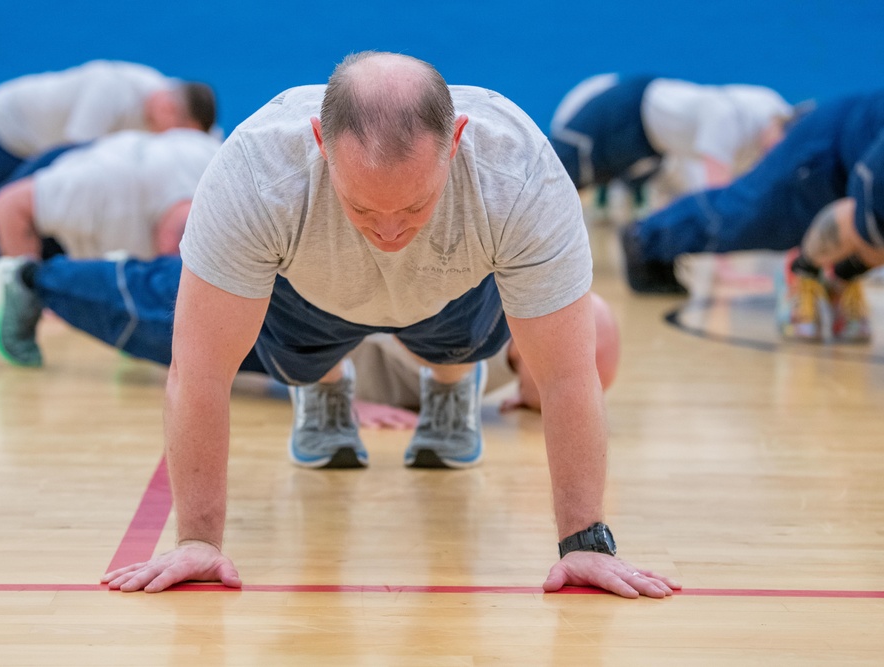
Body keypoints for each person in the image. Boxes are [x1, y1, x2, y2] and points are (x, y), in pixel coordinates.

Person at [55, 51, 676, 597]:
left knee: (483, 335)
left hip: (454, 298)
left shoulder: (519, 174)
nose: (387, 231)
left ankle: (452, 384)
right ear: (319, 143)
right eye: (361, 205)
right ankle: (322, 388)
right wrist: (198, 540)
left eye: (413, 205)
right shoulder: (255, 171)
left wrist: (585, 543)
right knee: (255, 342)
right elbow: (199, 372)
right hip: (305, 298)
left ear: (457, 140)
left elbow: (568, 375)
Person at [0, 254, 621, 420]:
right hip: (276, 315)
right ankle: (31, 278)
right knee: (146, 310)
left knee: (144, 311)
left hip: (281, 347)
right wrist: (351, 403)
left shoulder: (510, 346)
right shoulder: (493, 314)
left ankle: (53, 279)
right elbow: (365, 332)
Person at [0, 60, 217, 268]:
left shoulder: (175, 111)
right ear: (170, 111)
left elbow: (209, 140)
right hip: (7, 133)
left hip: (54, 150)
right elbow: (71, 156)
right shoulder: (110, 91)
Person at [621, 89, 884, 343]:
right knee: (744, 215)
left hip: (856, 145)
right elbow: (863, 203)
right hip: (827, 143)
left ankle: (836, 274)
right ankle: (644, 239)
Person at [0, 128, 222, 284]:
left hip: (117, 189)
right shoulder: (97, 189)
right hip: (60, 173)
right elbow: (9, 205)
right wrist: (26, 292)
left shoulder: (225, 187)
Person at [550, 74, 794, 219]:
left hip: (651, 145)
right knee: (558, 178)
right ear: (775, 125)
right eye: (779, 145)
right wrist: (725, 270)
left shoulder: (766, 115)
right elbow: (719, 204)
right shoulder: (725, 119)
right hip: (625, 112)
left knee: (610, 188)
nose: (775, 155)